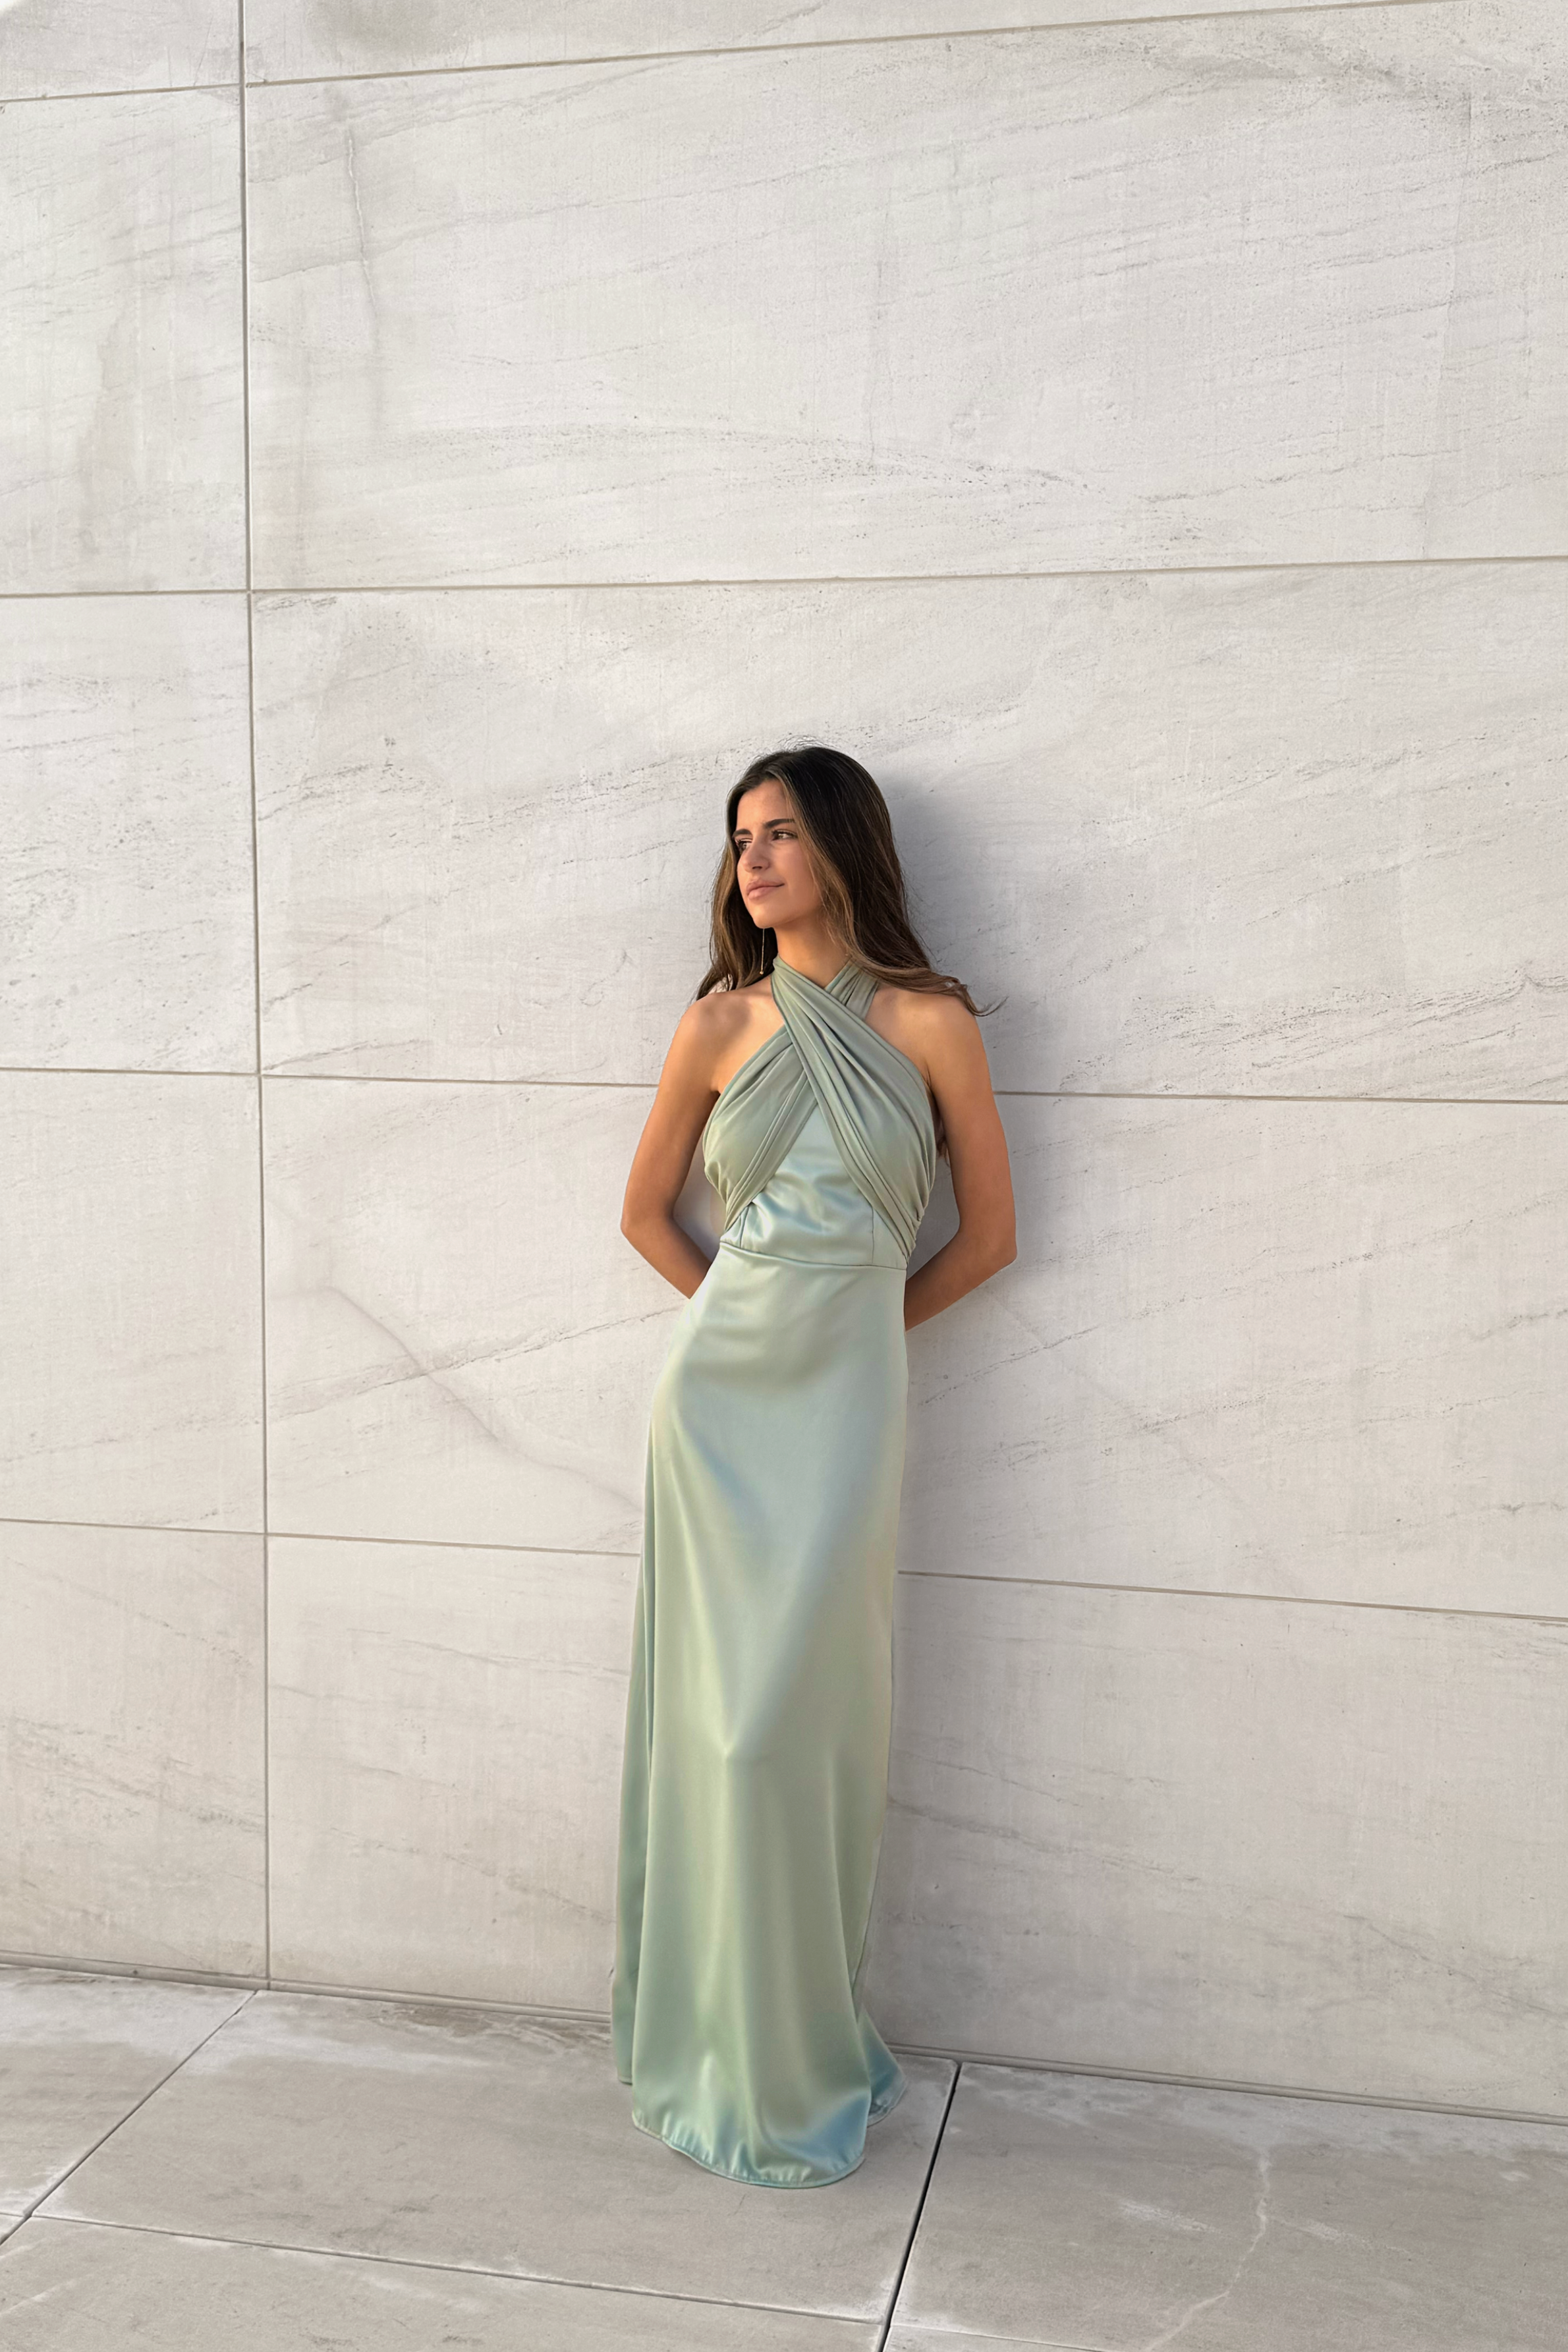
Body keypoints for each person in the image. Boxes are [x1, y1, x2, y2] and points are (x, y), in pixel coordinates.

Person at [611, 744, 1017, 2186]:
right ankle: (717, 2046)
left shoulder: (929, 1022)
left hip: (845, 1412)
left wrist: (857, 1338)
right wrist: (745, 1322)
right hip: (712, 1417)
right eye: (736, 841)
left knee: (795, 1730)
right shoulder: (716, 1025)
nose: (752, 862)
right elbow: (646, 1215)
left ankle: (796, 2051)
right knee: (719, 1733)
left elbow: (984, 1241)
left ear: (843, 844)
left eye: (779, 833)